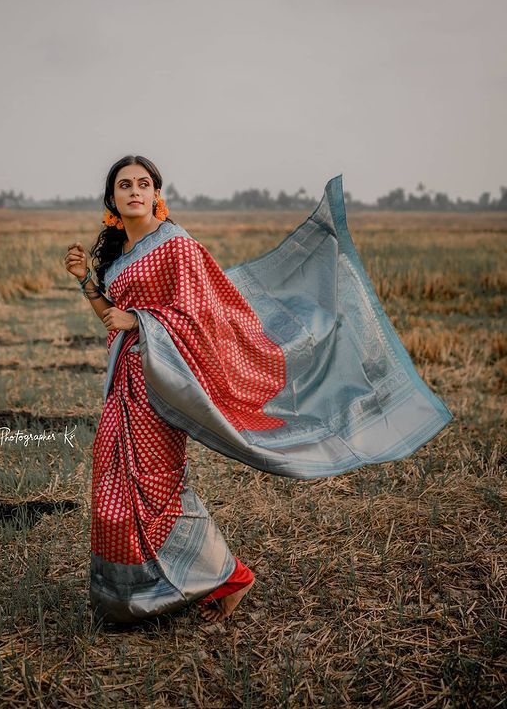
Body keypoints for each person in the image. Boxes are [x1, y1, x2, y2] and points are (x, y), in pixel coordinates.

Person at [64, 155, 452, 626]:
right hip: (124, 383)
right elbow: (113, 317)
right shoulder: (120, 256)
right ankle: (131, 596)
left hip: (161, 381)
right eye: (124, 185)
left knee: (153, 485)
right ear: (111, 200)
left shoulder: (178, 247)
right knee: (112, 482)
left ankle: (228, 578)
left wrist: (142, 322)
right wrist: (88, 280)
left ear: (157, 194)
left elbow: (203, 316)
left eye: (143, 184)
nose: (134, 192)